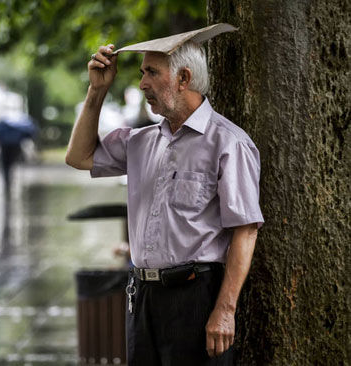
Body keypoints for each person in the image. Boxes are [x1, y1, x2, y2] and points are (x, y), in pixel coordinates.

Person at [65, 24, 264, 365]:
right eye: (143, 73)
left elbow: (245, 230)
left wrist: (225, 310)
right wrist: (96, 92)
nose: (142, 84)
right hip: (142, 296)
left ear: (183, 78)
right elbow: (78, 157)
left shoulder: (229, 143)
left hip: (195, 298)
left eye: (152, 73)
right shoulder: (140, 141)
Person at [0, 113, 36, 200]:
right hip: (15, 149)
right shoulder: (19, 128)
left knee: (5, 166)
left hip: (4, 150)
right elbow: (25, 140)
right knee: (11, 165)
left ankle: (7, 181)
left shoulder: (2, 128)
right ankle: (9, 180)